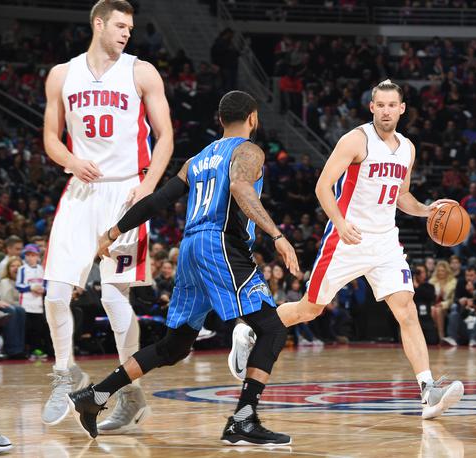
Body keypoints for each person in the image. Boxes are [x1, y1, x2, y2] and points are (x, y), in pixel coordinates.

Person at [67, 90, 300, 445]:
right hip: (220, 243)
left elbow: (159, 199)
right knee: (272, 328)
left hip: (190, 248)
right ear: (253, 118)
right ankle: (243, 418)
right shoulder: (249, 150)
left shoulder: (197, 160)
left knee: (173, 347)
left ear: (220, 120)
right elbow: (240, 186)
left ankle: (95, 396)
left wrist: (114, 231)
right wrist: (277, 235)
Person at [230, 79, 464, 420]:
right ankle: (251, 328)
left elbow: (401, 196)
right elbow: (323, 185)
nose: (385, 111)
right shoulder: (356, 139)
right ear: (372, 107)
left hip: (385, 241)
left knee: (407, 310)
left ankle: (428, 390)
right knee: (311, 309)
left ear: (402, 109)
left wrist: (428, 210)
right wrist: (339, 223)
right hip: (347, 237)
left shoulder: (407, 149)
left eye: (391, 105)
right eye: (379, 105)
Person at [41, 0, 174, 430]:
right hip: (81, 190)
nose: (126, 33)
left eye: (130, 29)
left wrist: (149, 186)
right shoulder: (62, 75)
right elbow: (50, 138)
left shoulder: (141, 71)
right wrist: (70, 160)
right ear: (98, 24)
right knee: (56, 293)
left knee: (115, 298)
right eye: (119, 26)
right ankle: (65, 372)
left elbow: (166, 136)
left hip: (124, 192)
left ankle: (130, 395)